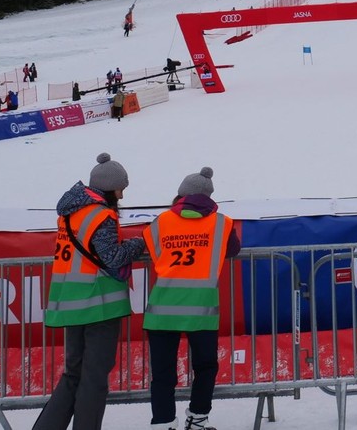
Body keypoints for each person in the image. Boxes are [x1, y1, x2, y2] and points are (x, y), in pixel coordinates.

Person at [34, 153, 146, 430]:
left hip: (70, 302)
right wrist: (138, 244)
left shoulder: (71, 212)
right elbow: (112, 257)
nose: (122, 194)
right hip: (99, 305)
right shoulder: (101, 215)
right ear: (111, 188)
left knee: (73, 373)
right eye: (121, 188)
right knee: (94, 377)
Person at [143, 166, 241, 430]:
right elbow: (232, 250)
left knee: (163, 373)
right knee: (206, 366)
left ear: (181, 195)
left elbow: (151, 249)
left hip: (162, 309)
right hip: (201, 310)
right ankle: (198, 418)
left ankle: (163, 423)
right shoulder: (222, 223)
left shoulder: (160, 222)